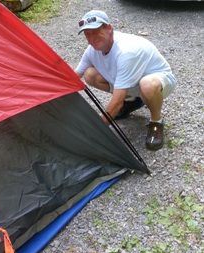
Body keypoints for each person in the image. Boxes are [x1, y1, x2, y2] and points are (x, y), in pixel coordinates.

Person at [75, 10, 176, 151]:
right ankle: (131, 102)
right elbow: (74, 77)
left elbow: (116, 102)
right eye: (87, 34)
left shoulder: (126, 52)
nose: (91, 39)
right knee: (89, 74)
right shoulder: (92, 50)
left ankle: (156, 122)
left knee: (147, 85)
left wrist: (95, 132)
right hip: (132, 84)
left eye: (96, 31)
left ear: (109, 28)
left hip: (159, 81)